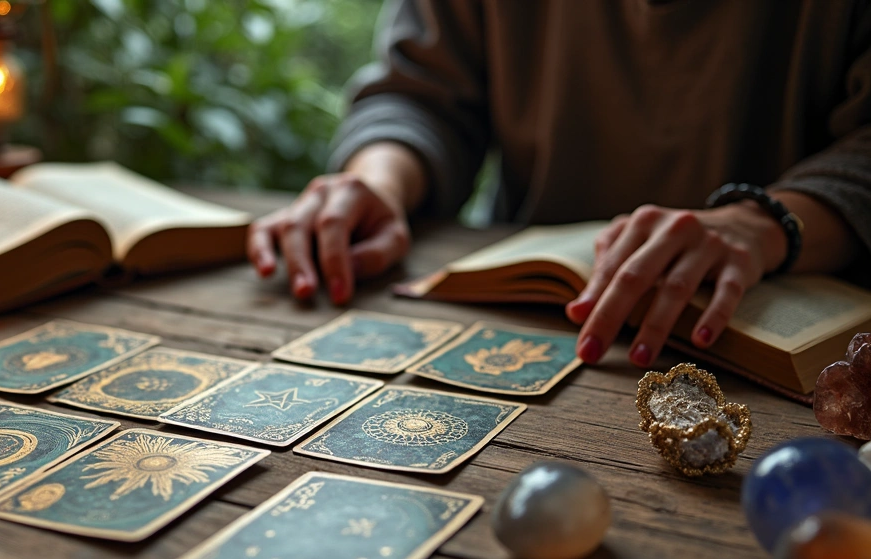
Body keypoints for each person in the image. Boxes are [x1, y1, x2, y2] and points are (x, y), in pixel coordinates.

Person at [247, 0, 871, 367]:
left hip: (781, 343)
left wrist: (762, 224)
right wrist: (378, 180)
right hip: (531, 315)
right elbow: (421, 94)